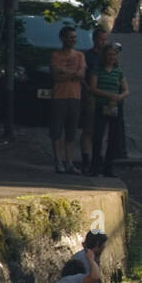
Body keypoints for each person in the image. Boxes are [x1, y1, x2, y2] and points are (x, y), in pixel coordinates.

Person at [87, 44, 128, 177]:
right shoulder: (97, 70)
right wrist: (108, 95)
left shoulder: (118, 72)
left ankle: (108, 168)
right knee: (98, 136)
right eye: (109, 55)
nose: (112, 57)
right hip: (101, 105)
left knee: (113, 138)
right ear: (104, 56)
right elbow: (93, 88)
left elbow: (126, 90)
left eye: (114, 55)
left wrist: (118, 97)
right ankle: (94, 166)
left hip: (115, 107)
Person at [49, 26, 86, 175]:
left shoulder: (80, 56)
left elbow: (81, 75)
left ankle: (69, 161)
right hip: (59, 96)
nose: (73, 40)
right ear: (63, 38)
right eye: (70, 37)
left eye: (75, 37)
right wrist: (73, 74)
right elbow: (56, 76)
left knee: (71, 131)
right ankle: (58, 161)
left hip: (75, 96)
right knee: (57, 130)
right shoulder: (56, 55)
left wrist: (65, 72)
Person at [80, 27, 110, 174]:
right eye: (101, 39)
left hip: (106, 97)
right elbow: (83, 76)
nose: (103, 43)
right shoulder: (87, 56)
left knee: (103, 132)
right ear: (94, 39)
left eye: (105, 40)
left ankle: (100, 161)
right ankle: (86, 160)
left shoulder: (109, 56)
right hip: (91, 97)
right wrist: (88, 90)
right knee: (89, 130)